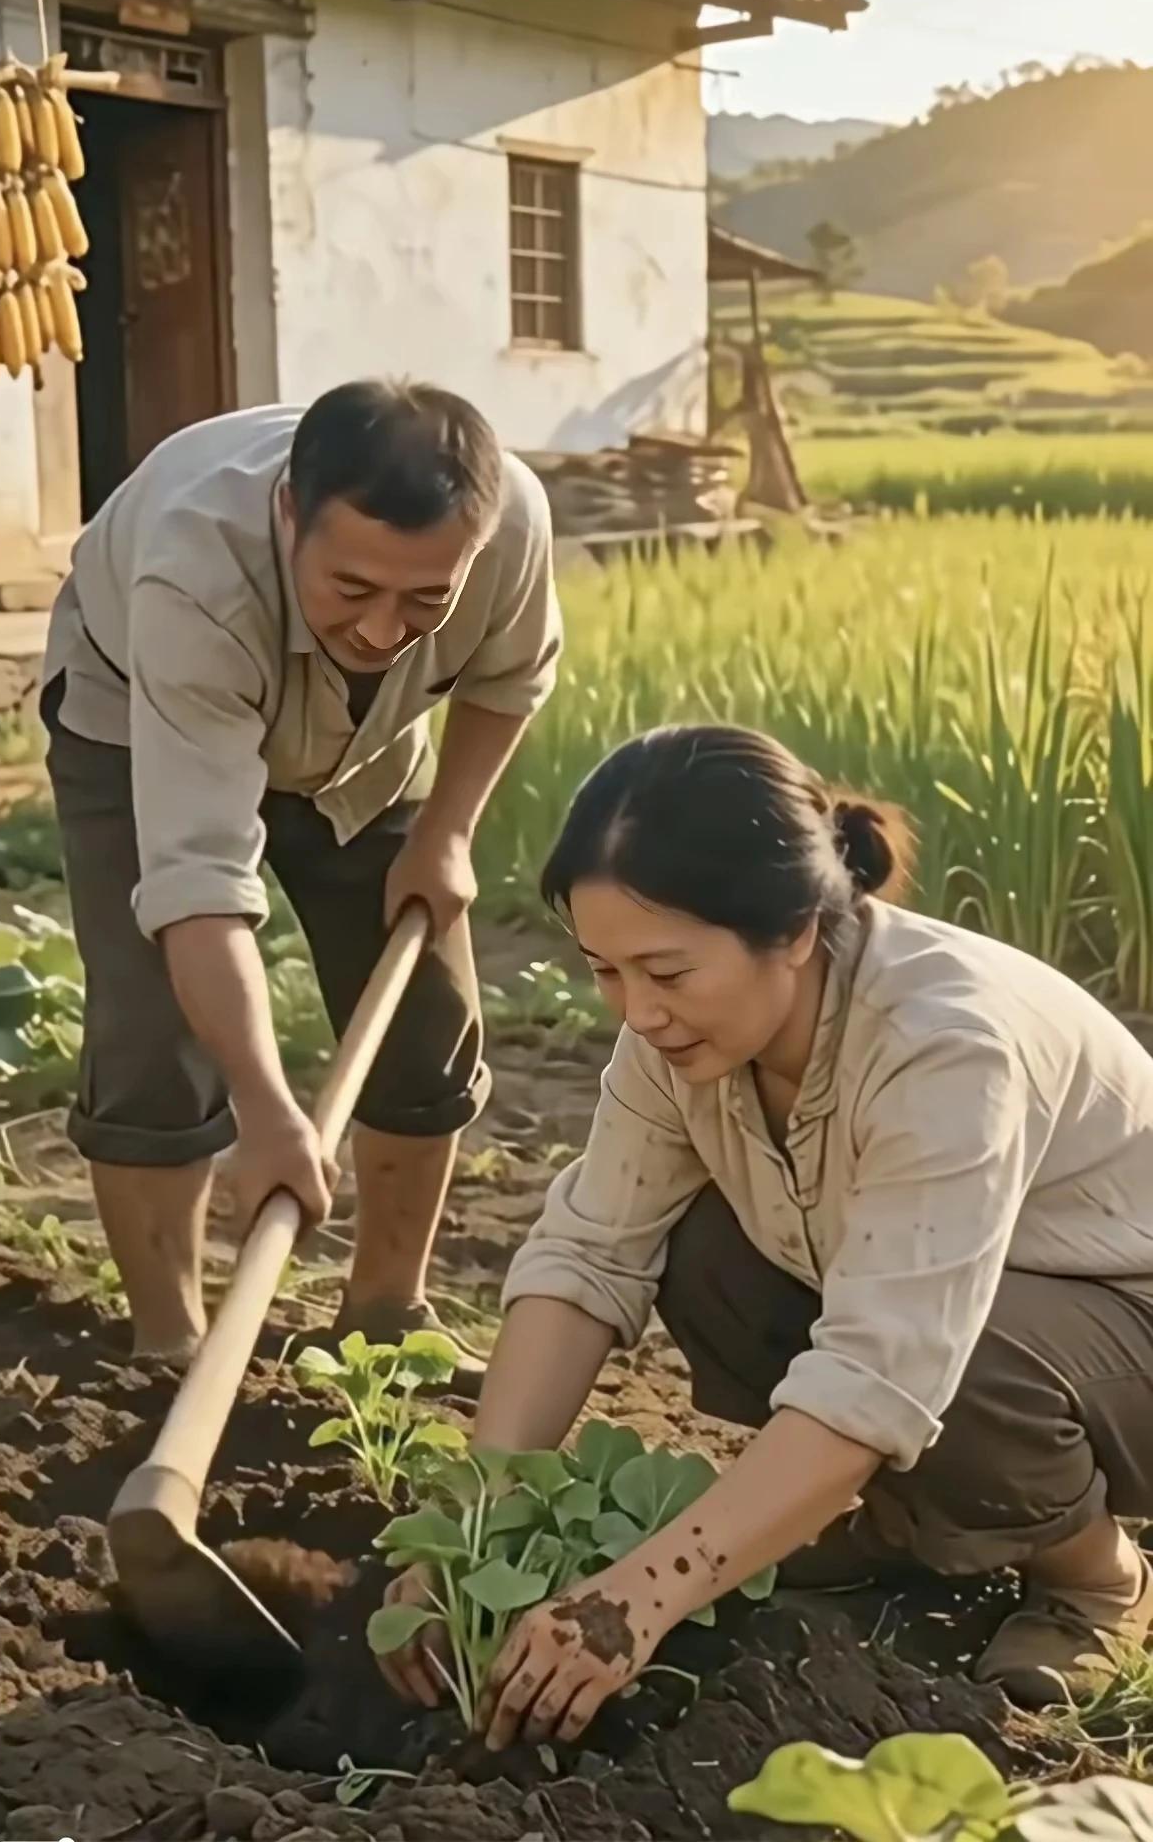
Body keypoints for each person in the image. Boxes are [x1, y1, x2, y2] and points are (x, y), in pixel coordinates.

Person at [377, 722, 1153, 1739]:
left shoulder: (944, 1046)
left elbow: (882, 1370)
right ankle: (905, 1519)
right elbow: (587, 1253)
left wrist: (637, 1599)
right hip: (971, 1319)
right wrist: (470, 1523)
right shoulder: (680, 1037)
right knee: (699, 1245)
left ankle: (1098, 1579)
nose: (637, 1012)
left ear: (792, 933)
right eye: (606, 971)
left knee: (962, 1352)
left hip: (1120, 1334)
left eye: (667, 972)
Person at [42, 382, 560, 1375]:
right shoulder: (195, 571)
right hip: (136, 715)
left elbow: (510, 676)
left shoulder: (513, 524)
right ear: (289, 513)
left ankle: (386, 1312)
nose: (381, 630)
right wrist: (267, 1108)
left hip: (370, 747)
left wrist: (446, 834)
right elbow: (197, 883)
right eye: (352, 587)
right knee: (150, 1034)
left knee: (423, 1008)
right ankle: (169, 1347)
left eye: (427, 599)